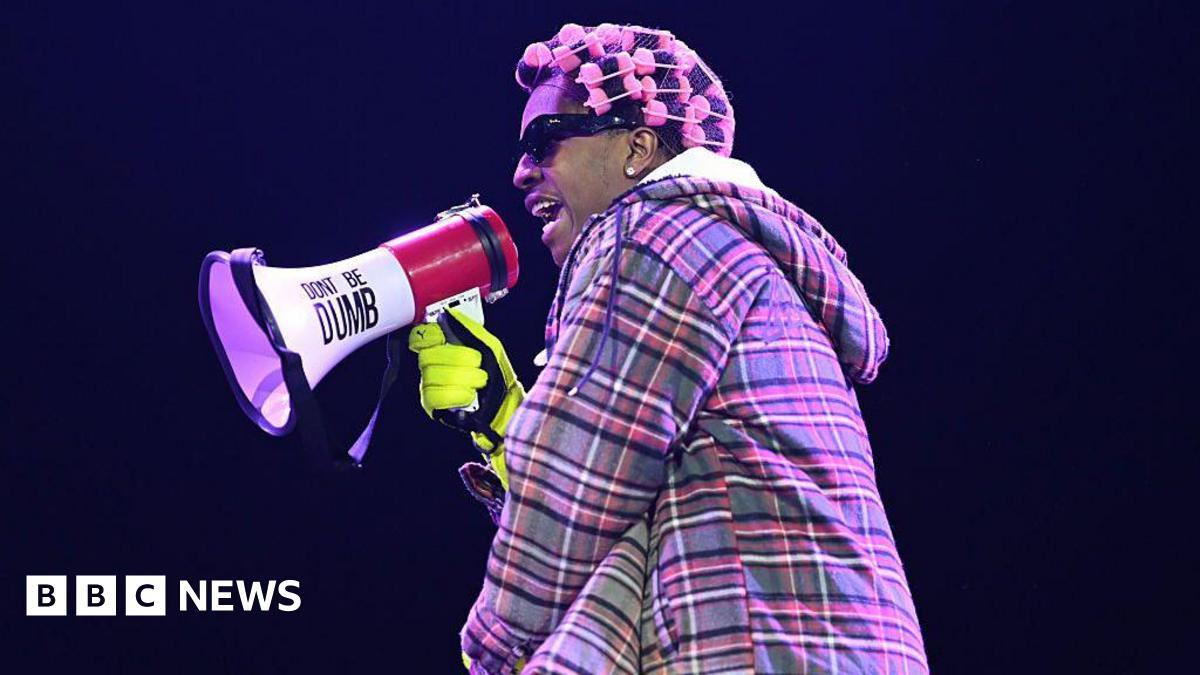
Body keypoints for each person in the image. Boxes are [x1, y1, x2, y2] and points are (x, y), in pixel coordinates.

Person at [408, 22, 928, 674]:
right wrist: (502, 425)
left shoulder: (658, 235)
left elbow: (573, 491)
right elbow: (619, 530)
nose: (520, 173)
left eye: (544, 141)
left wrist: (485, 644)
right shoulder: (725, 249)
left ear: (638, 147)